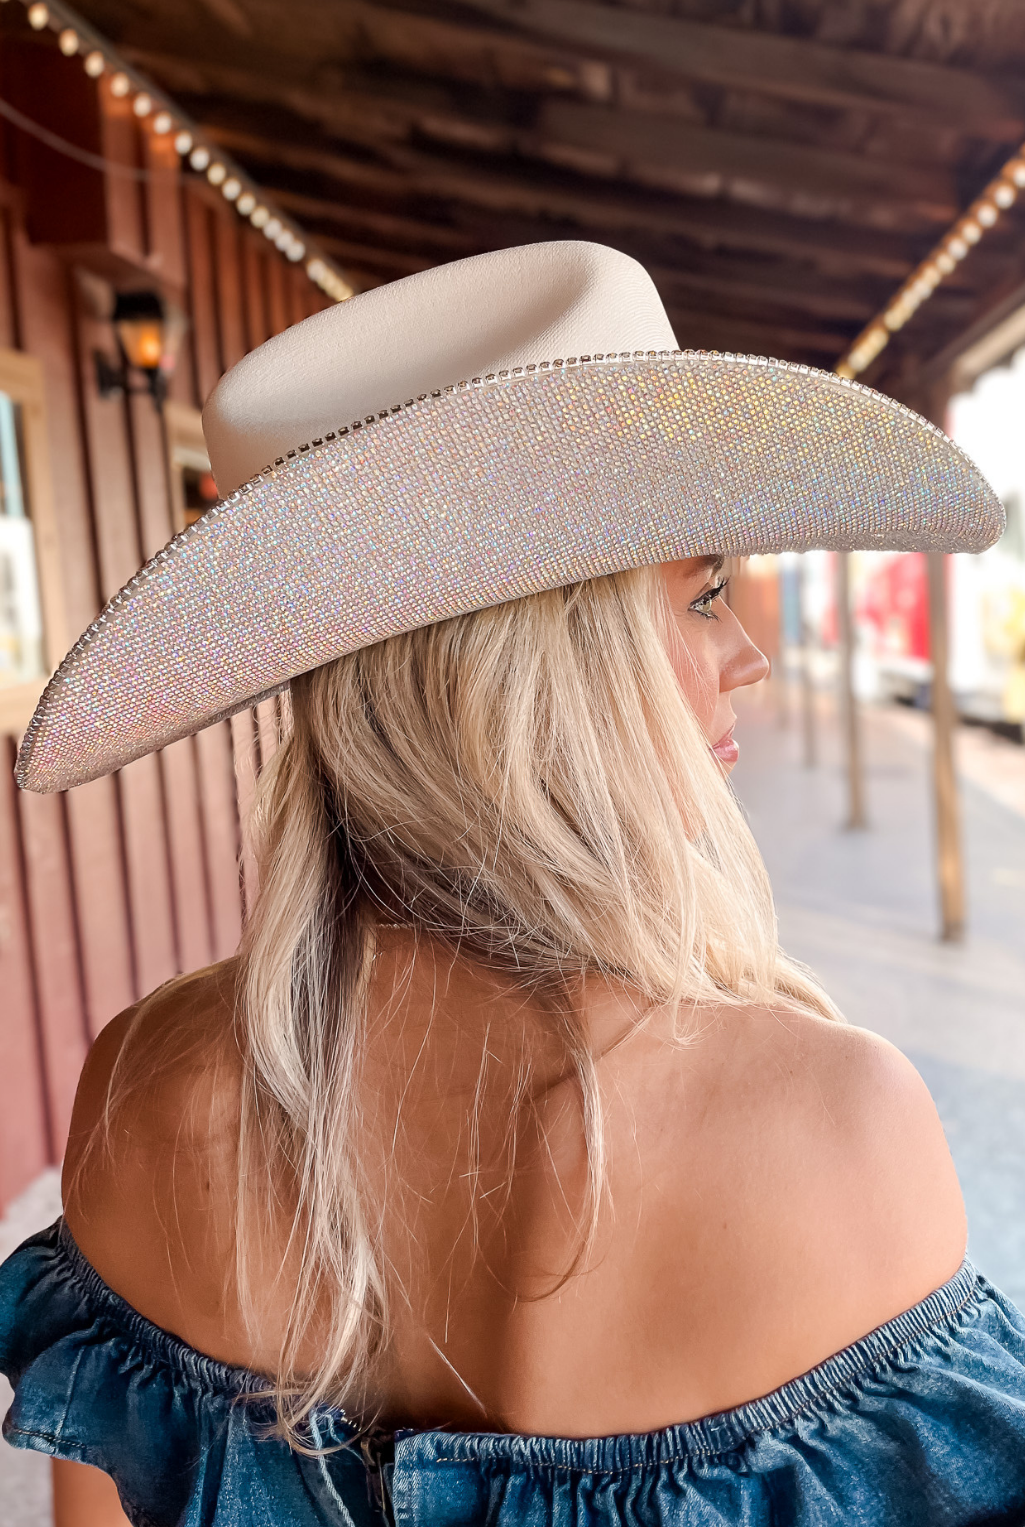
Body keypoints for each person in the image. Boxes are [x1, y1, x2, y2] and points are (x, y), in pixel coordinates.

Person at [2, 242, 1023, 1527]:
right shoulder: (828, 1126)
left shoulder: (135, 1089)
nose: (746, 654)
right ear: (559, 665)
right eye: (703, 593)